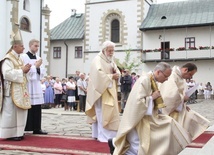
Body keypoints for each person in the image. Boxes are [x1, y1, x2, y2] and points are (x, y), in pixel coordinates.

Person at [109, 62, 191, 155]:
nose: (167, 79)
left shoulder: (152, 80)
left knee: (169, 122)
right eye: (166, 76)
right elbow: (138, 102)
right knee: (166, 127)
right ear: (158, 72)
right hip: (140, 118)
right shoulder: (145, 80)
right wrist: (152, 97)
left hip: (147, 114)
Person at [160, 62, 210, 141]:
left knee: (201, 121)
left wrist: (184, 104)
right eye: (190, 74)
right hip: (172, 111)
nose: (190, 77)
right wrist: (183, 98)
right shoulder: (172, 75)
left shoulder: (181, 77)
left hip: (179, 107)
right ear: (185, 70)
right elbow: (169, 95)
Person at [85, 40, 121, 142]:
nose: (111, 53)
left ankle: (101, 134)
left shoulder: (110, 60)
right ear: (104, 50)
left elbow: (116, 70)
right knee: (101, 112)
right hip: (100, 91)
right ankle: (102, 135)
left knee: (108, 111)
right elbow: (98, 75)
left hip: (109, 89)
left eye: (113, 51)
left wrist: (117, 74)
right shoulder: (97, 60)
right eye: (110, 51)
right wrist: (111, 76)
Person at [0, 28, 31, 141]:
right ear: (15, 46)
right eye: (22, 46)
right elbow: (6, 74)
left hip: (20, 91)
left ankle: (19, 132)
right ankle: (10, 133)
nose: (24, 48)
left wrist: (25, 70)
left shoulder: (19, 59)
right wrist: (22, 70)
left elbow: (22, 73)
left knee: (20, 113)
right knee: (11, 113)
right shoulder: (8, 59)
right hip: (11, 91)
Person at [22, 39, 47, 135]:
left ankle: (37, 128)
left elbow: (42, 71)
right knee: (28, 106)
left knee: (37, 106)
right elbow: (25, 70)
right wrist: (35, 66)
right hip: (28, 84)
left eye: (38, 46)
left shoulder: (38, 57)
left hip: (36, 84)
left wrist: (38, 67)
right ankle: (26, 127)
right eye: (35, 46)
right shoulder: (24, 57)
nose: (37, 48)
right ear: (30, 45)